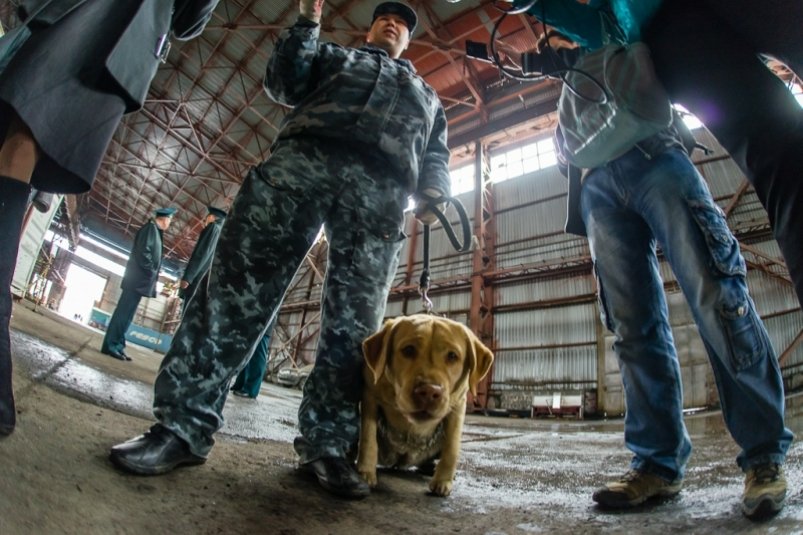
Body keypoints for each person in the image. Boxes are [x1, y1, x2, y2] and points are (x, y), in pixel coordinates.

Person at [109, 0, 451, 500]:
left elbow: (436, 151)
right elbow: (283, 83)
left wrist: (435, 190)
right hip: (300, 165)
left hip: (381, 196)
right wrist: (307, 25)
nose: (392, 21)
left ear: (408, 42)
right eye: (384, 16)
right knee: (236, 288)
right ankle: (181, 427)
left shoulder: (427, 95)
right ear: (371, 28)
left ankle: (328, 446)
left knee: (355, 329)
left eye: (402, 22)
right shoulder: (334, 56)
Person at [536, 30, 793, 519]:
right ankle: (656, 464)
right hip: (595, 186)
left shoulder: (619, 22)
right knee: (631, 327)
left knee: (717, 294)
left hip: (658, 155)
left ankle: (763, 456)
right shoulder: (569, 72)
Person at [0, 0, 219, 435]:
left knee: (22, 140)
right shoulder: (150, 233)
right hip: (65, 14)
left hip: (118, 36)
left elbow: (189, 20)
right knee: (17, 135)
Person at [505, 0, 803, 313]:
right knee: (783, 156)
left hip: (667, 55)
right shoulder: (601, 54)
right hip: (670, 28)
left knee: (780, 158)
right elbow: (595, 28)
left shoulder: (600, 54)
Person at [101, 207, 177, 361]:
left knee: (127, 316)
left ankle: (118, 346)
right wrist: (151, 271)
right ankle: (110, 346)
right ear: (164, 218)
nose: (170, 223)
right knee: (123, 314)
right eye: (170, 220)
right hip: (137, 280)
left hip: (139, 282)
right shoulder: (150, 229)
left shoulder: (155, 231)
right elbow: (144, 253)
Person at [178, 205, 227, 311]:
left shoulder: (212, 228)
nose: (205, 220)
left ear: (212, 217)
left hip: (197, 277)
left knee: (187, 308)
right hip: (205, 281)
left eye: (207, 217)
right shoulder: (221, 234)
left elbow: (201, 254)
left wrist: (188, 277)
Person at [230, 319, 276, 399]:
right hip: (252, 321)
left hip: (263, 322)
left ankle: (251, 390)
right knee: (246, 353)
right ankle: (240, 384)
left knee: (258, 354)